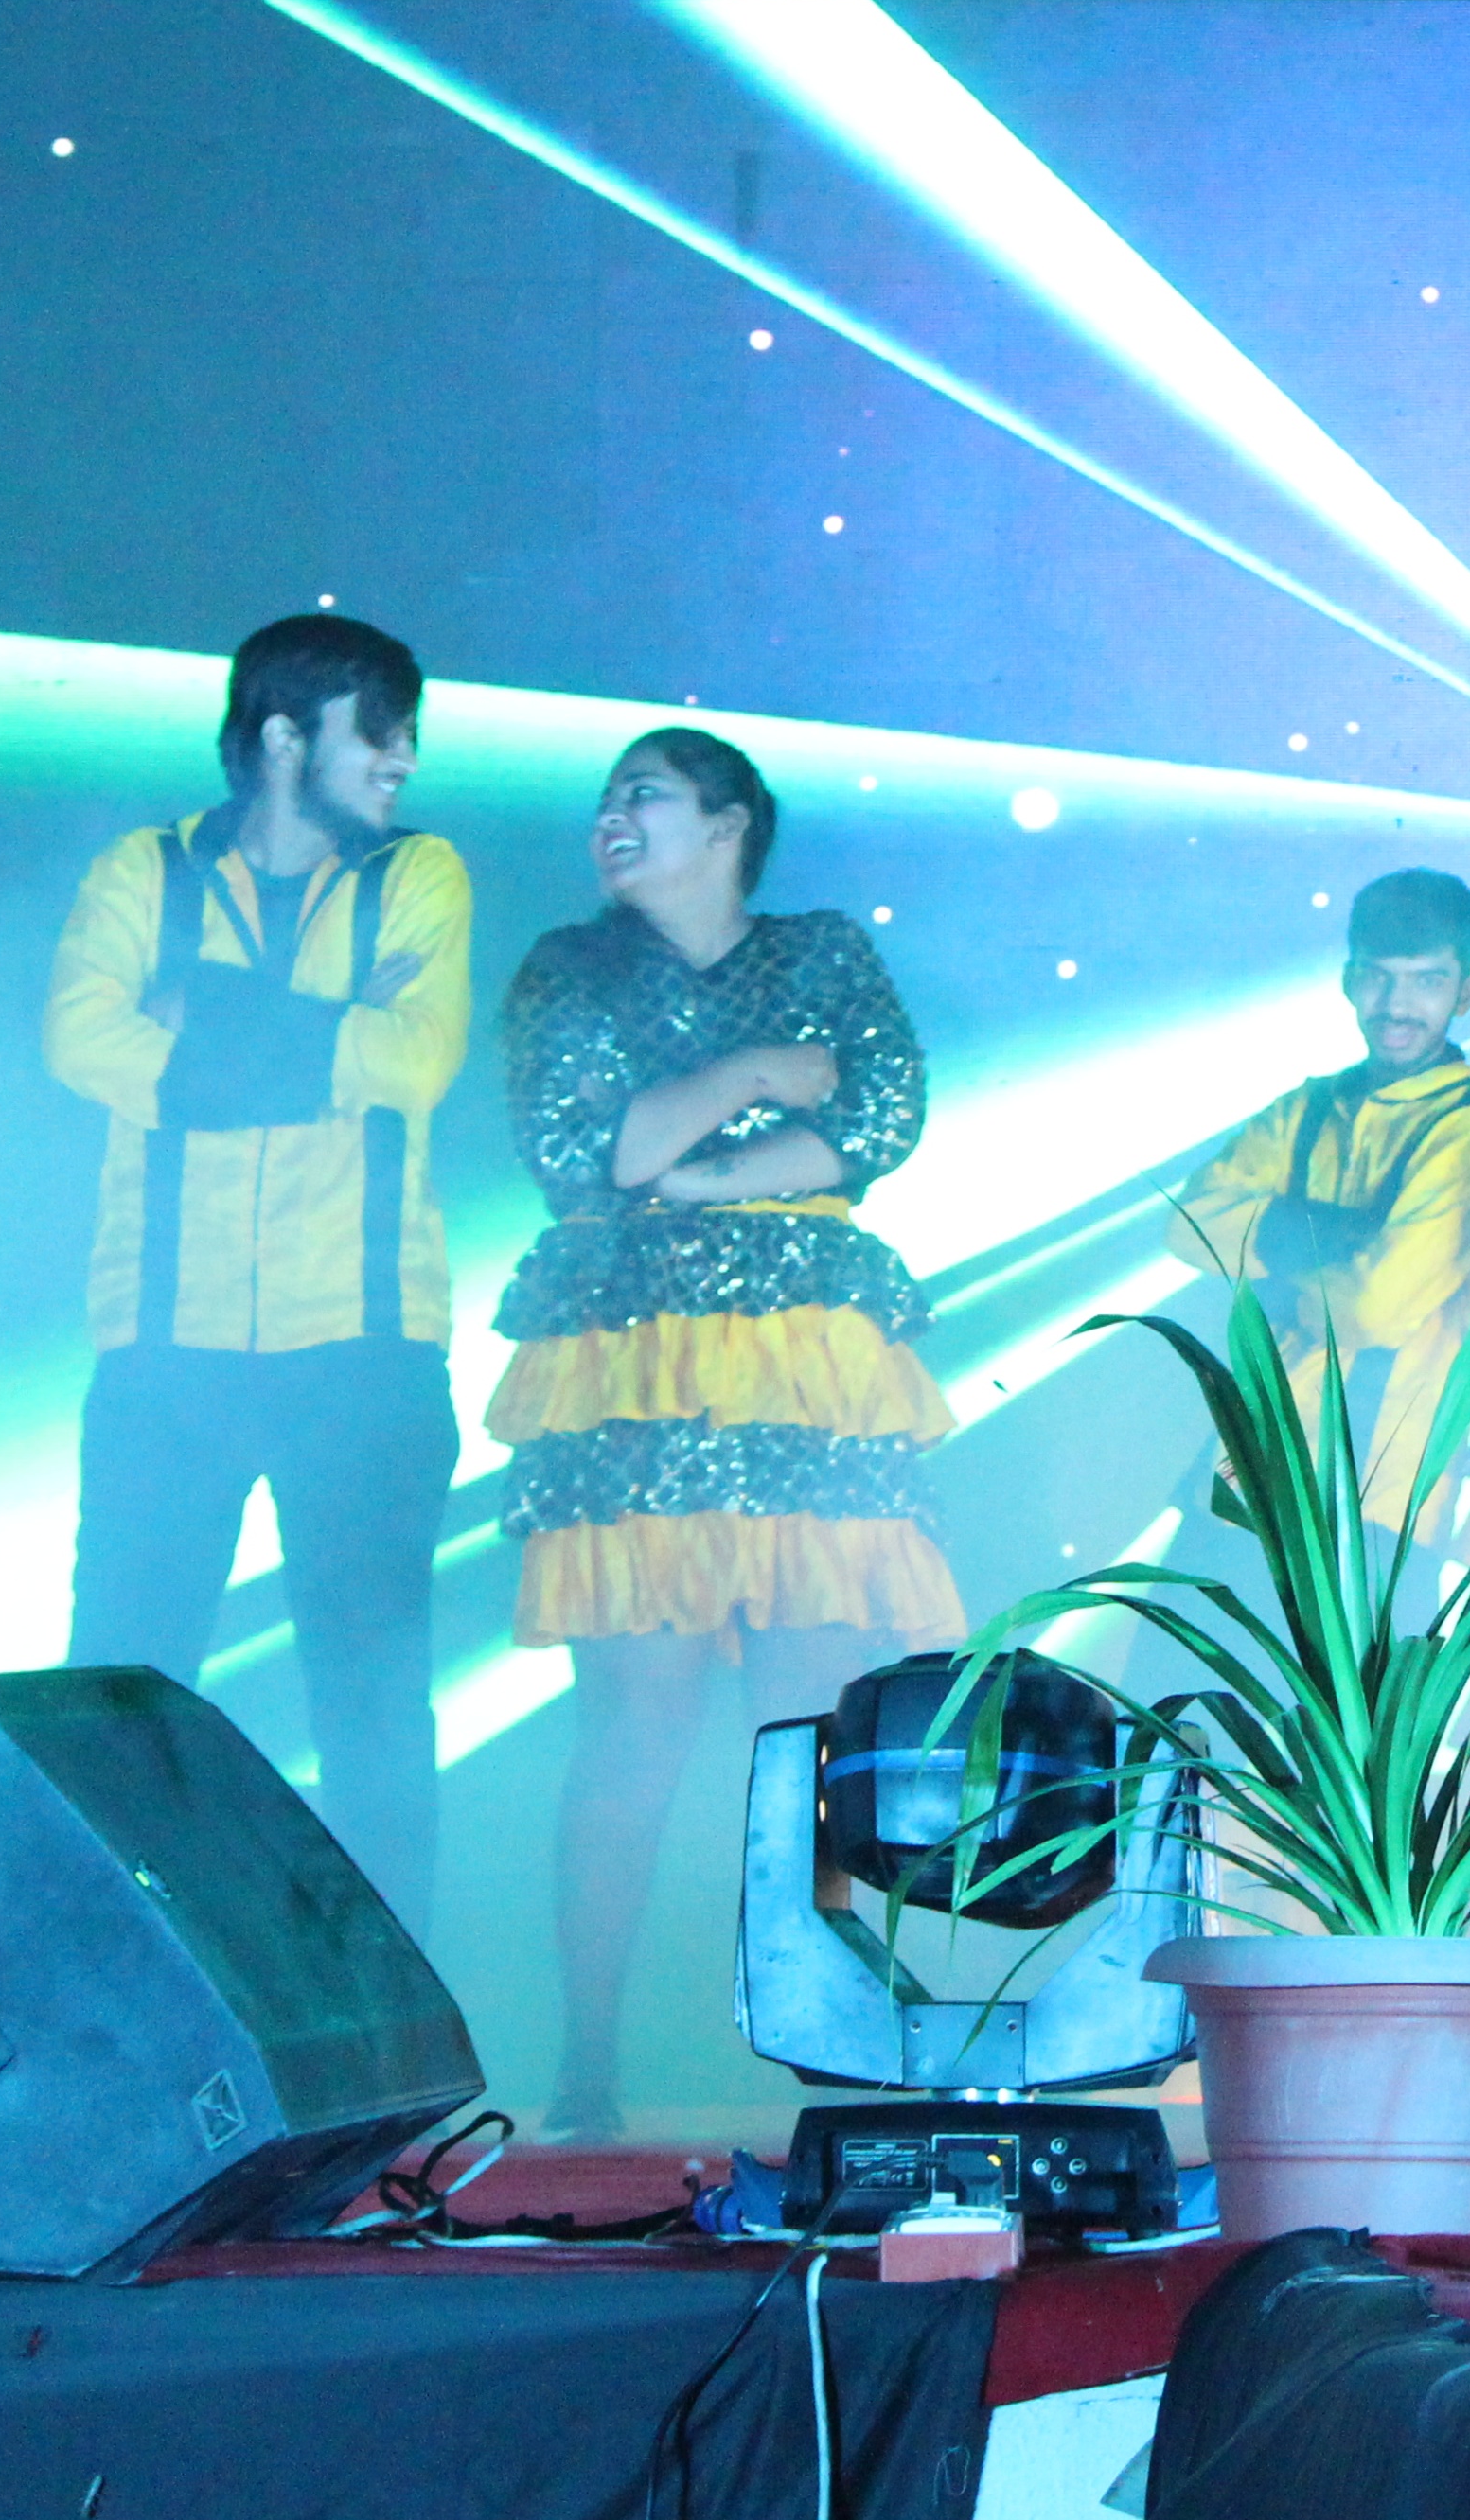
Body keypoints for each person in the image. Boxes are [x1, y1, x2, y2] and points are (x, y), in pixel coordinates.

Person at [487, 728, 960, 2137]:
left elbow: (880, 1119)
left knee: (811, 1723)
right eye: (603, 796)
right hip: (632, 1365)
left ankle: (826, 2042)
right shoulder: (567, 969)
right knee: (634, 1721)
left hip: (806, 1365)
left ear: (729, 822)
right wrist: (757, 1067)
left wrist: (695, 1171)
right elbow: (588, 1157)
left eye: (641, 793)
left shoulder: (823, 947)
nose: (610, 815)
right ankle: (586, 2063)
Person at [45, 613, 472, 1931]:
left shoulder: (420, 871)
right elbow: (79, 1040)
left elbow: (414, 1058)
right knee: (118, 1697)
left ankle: (394, 2010)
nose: (403, 758)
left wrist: (201, 1025)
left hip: (367, 1349)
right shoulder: (143, 869)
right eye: (379, 730)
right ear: (286, 737)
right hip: (165, 1349)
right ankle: (109, 1984)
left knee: (372, 1707)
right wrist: (322, 1048)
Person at [1171, 869, 1470, 1484]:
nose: (1396, 1006)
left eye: (1427, 981)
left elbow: (1373, 1313)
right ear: (1347, 981)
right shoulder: (1306, 1107)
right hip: (1251, 1443)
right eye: (1377, 976)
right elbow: (1186, 1226)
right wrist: (1350, 1239)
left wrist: (1274, 1262)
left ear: (1464, 994)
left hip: (1375, 1474)